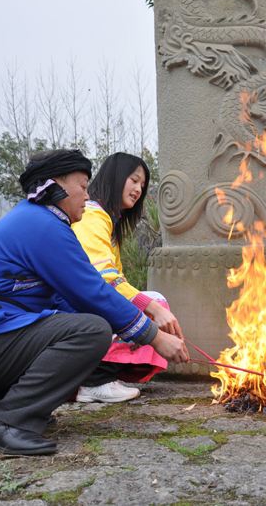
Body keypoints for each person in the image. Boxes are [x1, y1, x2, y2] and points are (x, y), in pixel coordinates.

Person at [0, 149, 189, 456]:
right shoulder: (41, 224)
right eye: (83, 186)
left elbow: (69, 299)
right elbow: (92, 290)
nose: (87, 195)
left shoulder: (43, 222)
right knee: (91, 331)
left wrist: (128, 326)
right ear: (55, 185)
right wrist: (153, 337)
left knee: (89, 323)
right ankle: (7, 420)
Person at [71, 152, 185, 403]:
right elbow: (106, 279)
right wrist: (154, 308)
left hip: (82, 306)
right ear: (116, 177)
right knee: (154, 302)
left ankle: (100, 375)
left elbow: (115, 278)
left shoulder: (105, 220)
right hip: (75, 309)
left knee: (151, 302)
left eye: (142, 185)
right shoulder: (92, 216)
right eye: (133, 180)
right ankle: (95, 380)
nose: (138, 189)